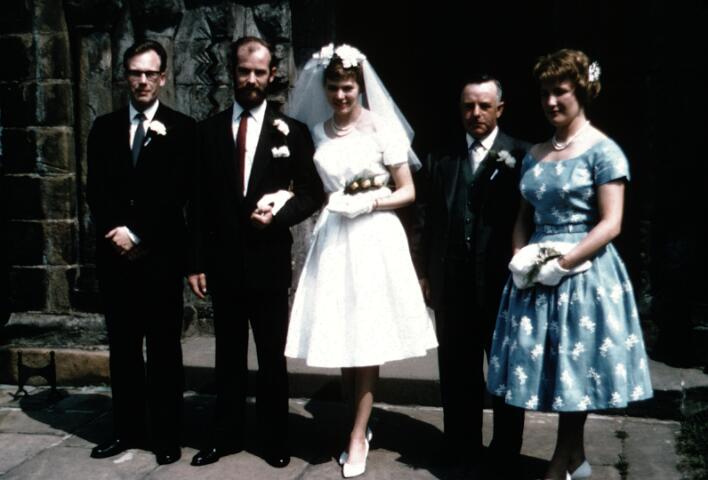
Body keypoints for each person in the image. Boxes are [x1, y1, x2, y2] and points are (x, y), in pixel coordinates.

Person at [486, 49, 653, 480]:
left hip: (584, 272)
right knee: (550, 365)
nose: (551, 101)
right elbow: (523, 216)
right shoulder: (536, 153)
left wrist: (564, 262)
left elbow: (611, 222)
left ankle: (562, 459)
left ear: (582, 92)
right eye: (544, 93)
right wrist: (521, 259)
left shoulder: (604, 151)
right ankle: (574, 461)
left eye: (560, 92)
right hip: (536, 272)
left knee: (574, 366)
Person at [284, 43, 438, 478]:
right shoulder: (316, 132)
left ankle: (357, 434)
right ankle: (356, 419)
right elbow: (314, 189)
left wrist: (370, 203)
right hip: (334, 237)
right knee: (341, 330)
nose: (340, 95)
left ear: (360, 87)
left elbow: (407, 190)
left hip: (373, 235)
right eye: (333, 87)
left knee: (367, 335)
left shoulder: (381, 128)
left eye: (347, 87)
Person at [186, 36, 324, 468]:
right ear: (233, 72)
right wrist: (195, 262)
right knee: (227, 355)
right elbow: (197, 202)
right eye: (244, 71)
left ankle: (274, 438)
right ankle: (225, 436)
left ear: (272, 75)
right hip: (223, 262)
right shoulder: (208, 132)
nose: (251, 79)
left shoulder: (291, 131)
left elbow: (312, 193)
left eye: (259, 72)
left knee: (270, 358)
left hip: (268, 262)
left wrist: (279, 215)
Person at [411, 74, 530, 475]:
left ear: (500, 109)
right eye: (468, 106)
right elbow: (424, 220)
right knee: (456, 370)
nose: (475, 113)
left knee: (504, 371)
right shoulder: (441, 158)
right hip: (452, 283)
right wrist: (423, 273)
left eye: (484, 106)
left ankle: (505, 453)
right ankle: (460, 446)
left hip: (502, 285)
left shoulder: (522, 155)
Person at [86, 39, 196, 465]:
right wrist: (117, 233)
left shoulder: (182, 129)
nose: (143, 81)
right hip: (116, 258)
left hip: (160, 258)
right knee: (124, 349)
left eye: (151, 73)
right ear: (126, 77)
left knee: (164, 350)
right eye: (135, 73)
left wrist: (137, 233)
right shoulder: (104, 128)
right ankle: (126, 430)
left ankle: (166, 435)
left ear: (163, 78)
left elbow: (178, 194)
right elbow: (96, 190)